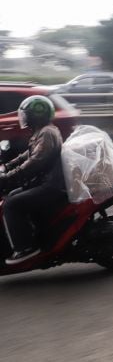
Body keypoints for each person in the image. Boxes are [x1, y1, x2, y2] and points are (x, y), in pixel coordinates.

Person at [0, 95, 67, 265]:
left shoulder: (47, 133)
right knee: (11, 196)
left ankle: (26, 246)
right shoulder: (41, 131)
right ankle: (30, 231)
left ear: (36, 115)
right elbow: (27, 155)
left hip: (51, 186)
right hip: (44, 181)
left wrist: (9, 177)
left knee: (10, 204)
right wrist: (6, 166)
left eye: (26, 114)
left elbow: (35, 162)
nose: (23, 118)